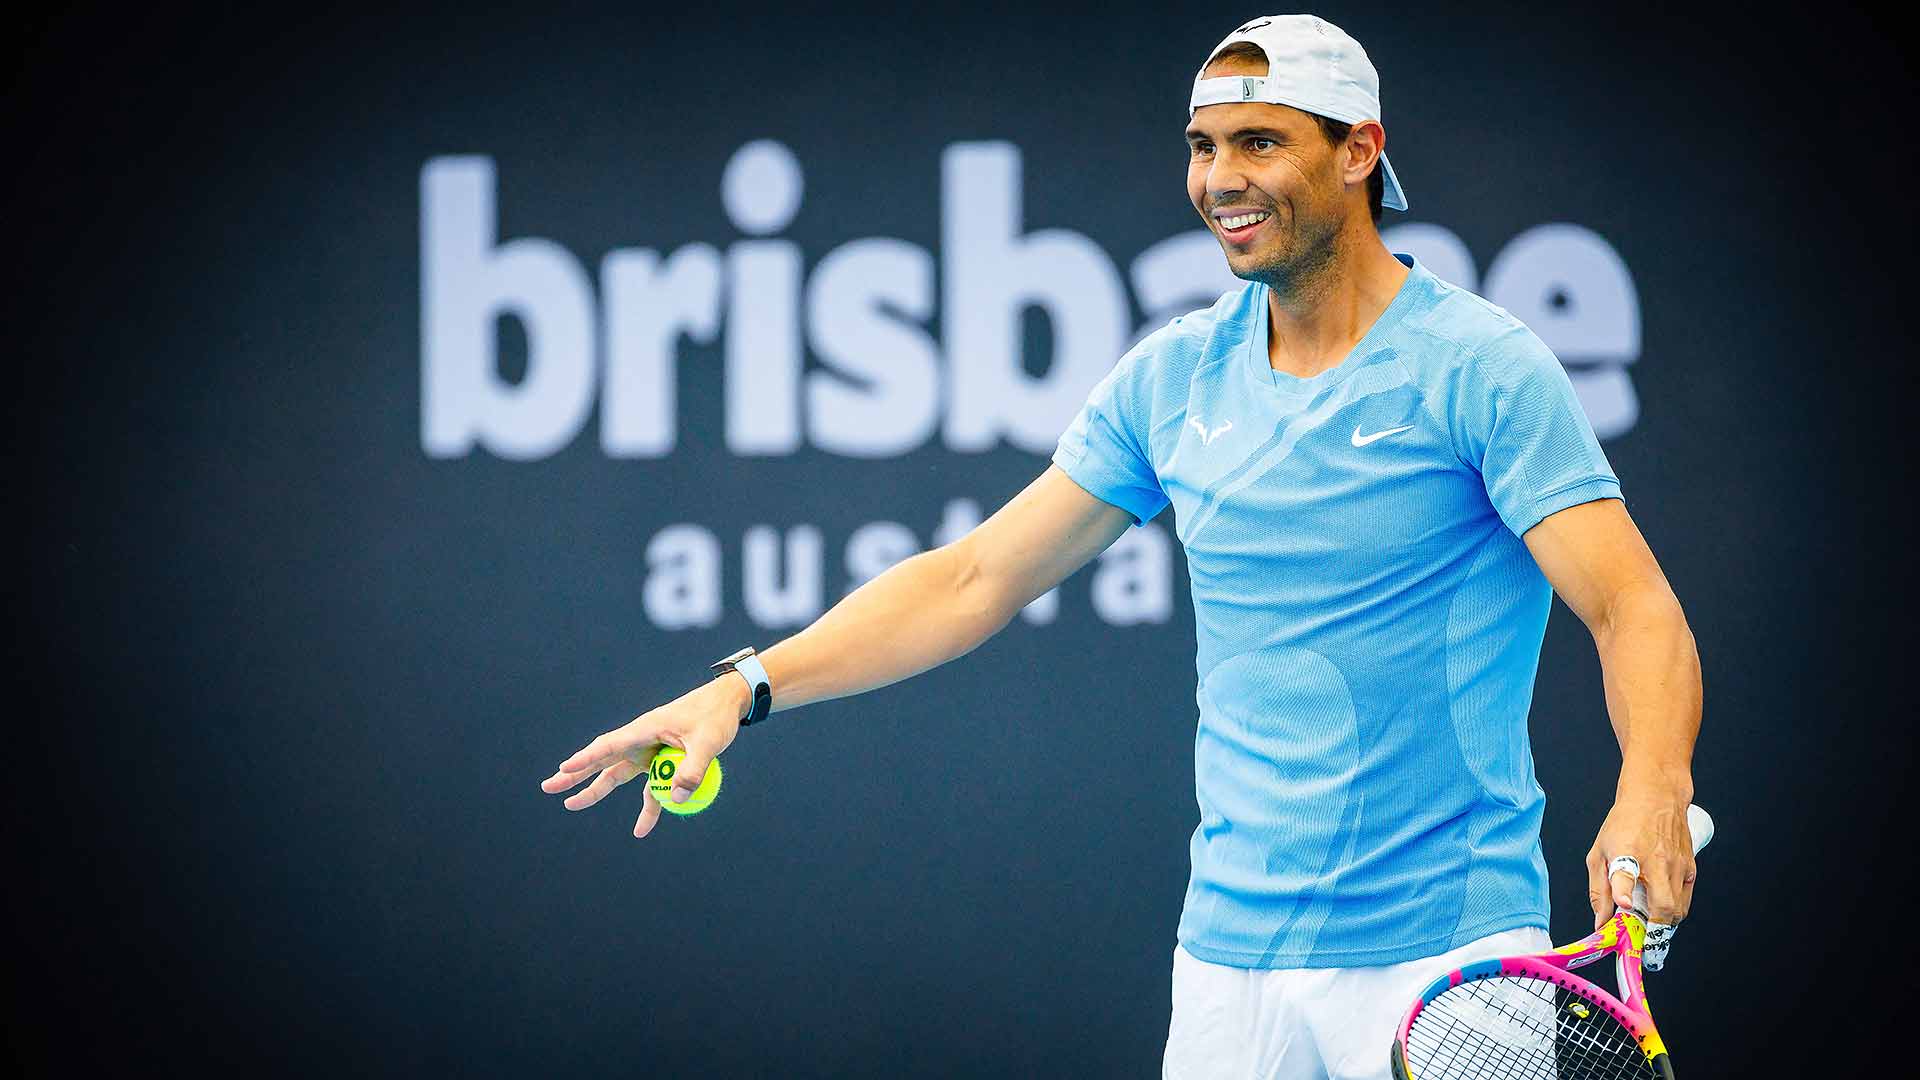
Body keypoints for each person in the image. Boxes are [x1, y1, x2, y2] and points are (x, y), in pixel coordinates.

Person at [540, 14, 1701, 1078]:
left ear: (1359, 152)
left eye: (1259, 142)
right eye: (1203, 146)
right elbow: (973, 577)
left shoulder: (1481, 369)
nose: (1221, 181)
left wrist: (1652, 783)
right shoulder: (1173, 377)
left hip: (1447, 958)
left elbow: (1631, 607)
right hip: (1229, 965)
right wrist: (742, 689)